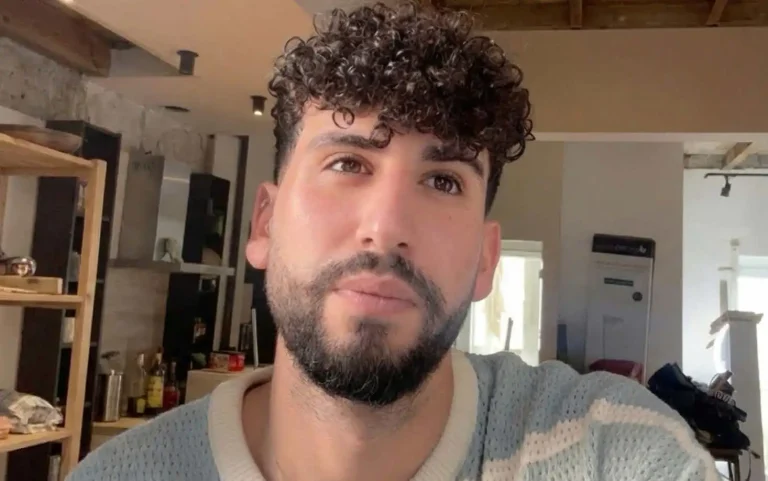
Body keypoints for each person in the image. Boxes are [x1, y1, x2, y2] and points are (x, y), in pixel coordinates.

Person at [68, 2, 717, 480]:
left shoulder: (616, 451)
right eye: (347, 162)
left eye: (443, 179)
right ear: (264, 223)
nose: (386, 226)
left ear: (486, 259)